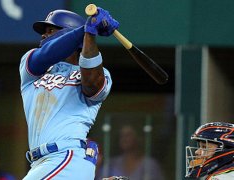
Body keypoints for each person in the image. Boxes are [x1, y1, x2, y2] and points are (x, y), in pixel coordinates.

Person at [19, 6, 119, 179]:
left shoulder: (99, 73)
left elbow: (92, 85)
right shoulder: (32, 68)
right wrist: (85, 29)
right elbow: (47, 54)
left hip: (67, 156)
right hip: (40, 163)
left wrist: (89, 34)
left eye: (51, 30)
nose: (44, 35)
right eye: (44, 31)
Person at [98, 125, 164, 180]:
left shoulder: (150, 165)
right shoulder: (111, 164)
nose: (124, 139)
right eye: (122, 135)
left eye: (128, 135)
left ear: (138, 137)